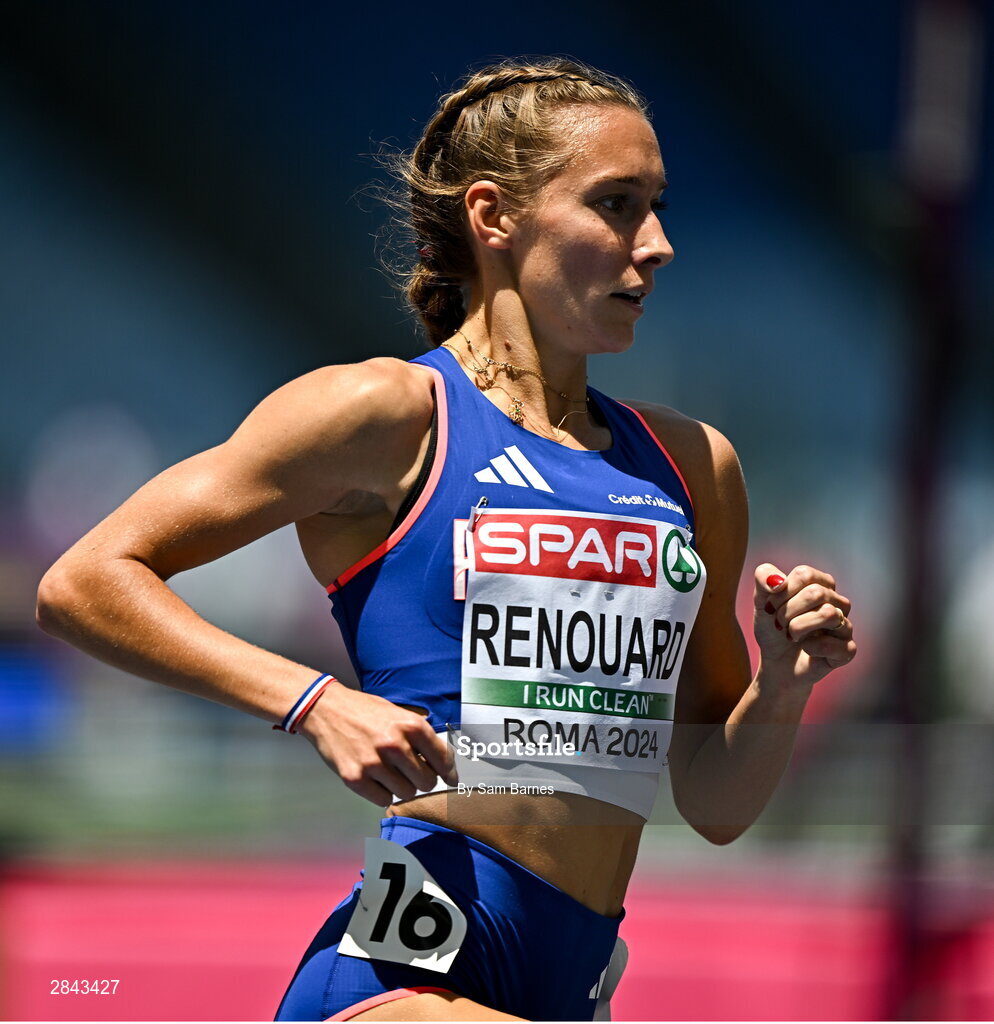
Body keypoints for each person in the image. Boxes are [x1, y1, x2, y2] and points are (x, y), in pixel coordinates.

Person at [36, 58, 857, 1022]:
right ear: (493, 216)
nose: (661, 244)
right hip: (403, 980)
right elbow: (85, 580)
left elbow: (717, 805)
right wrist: (312, 701)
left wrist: (784, 684)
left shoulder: (691, 466)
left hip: (568, 985)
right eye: (617, 205)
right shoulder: (387, 413)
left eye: (659, 206)